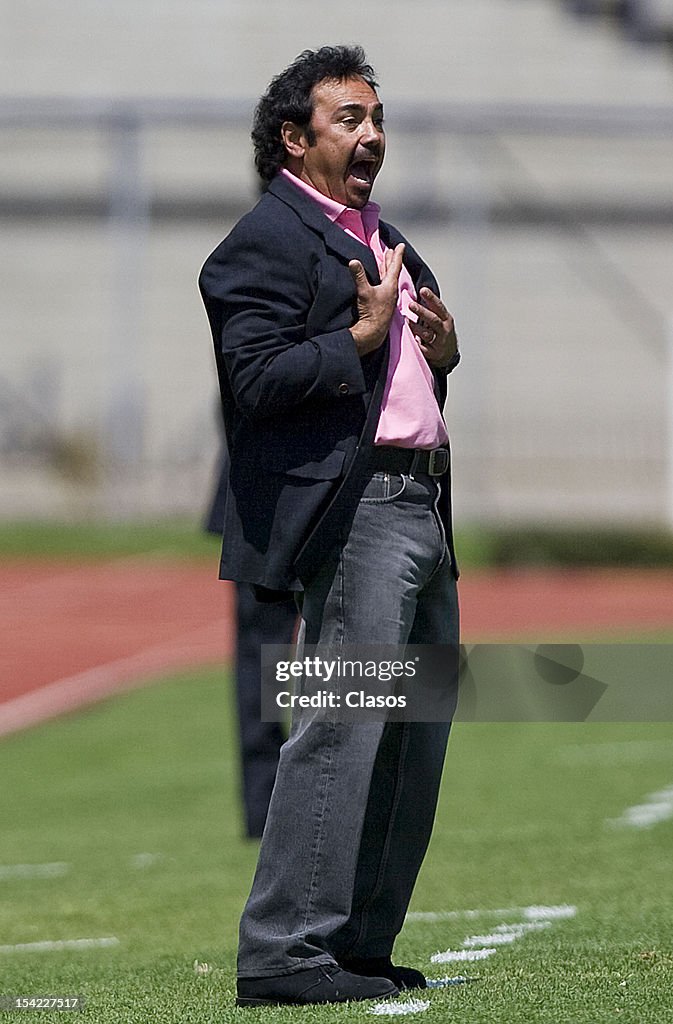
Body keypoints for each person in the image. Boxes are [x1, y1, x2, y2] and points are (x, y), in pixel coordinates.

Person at [199, 44, 460, 1008]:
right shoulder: (262, 241)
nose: (371, 136)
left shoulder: (378, 232)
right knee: (342, 726)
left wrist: (443, 347)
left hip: (422, 506)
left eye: (374, 119)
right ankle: (281, 948)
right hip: (355, 519)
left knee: (410, 735)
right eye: (348, 119)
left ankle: (354, 942)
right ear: (293, 138)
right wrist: (355, 338)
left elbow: (408, 372)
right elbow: (255, 381)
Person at [204, 438, 296, 839]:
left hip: (333, 497)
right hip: (261, 501)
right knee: (263, 665)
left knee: (349, 656)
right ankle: (266, 812)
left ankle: (335, 804)